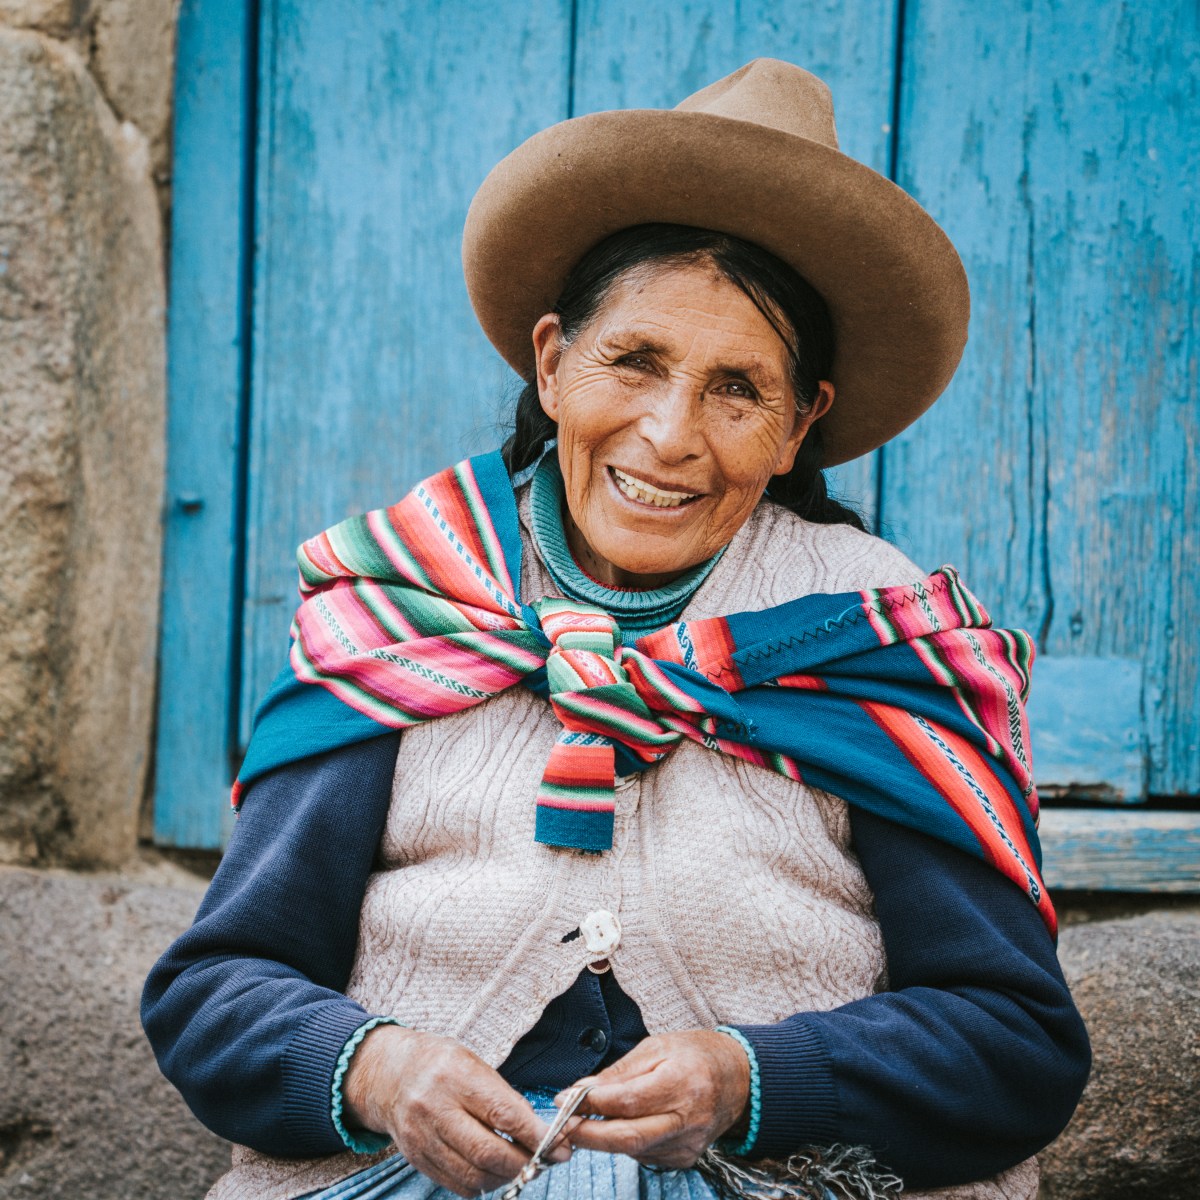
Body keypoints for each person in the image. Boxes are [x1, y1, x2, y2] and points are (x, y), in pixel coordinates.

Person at [143, 60, 1090, 1200]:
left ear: (801, 425)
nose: (669, 432)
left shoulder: (872, 634)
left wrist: (754, 1079)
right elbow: (217, 991)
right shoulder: (410, 599)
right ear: (552, 362)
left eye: (737, 389)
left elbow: (1014, 1045)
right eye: (633, 361)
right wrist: (379, 1071)